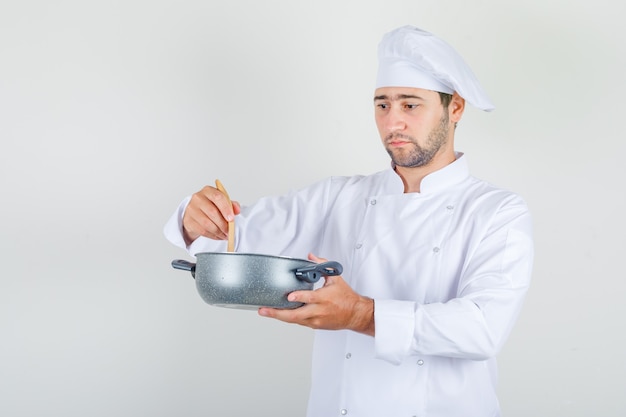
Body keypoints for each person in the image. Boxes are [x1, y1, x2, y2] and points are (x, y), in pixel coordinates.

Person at [164, 25, 533, 417]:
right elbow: (237, 239)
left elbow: (482, 328)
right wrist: (197, 219)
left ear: (455, 107)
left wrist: (362, 314)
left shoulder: (498, 211)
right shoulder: (337, 197)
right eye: (382, 105)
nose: (393, 124)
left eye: (410, 105)